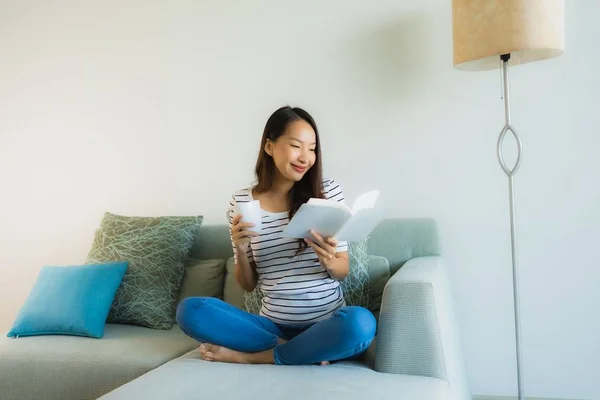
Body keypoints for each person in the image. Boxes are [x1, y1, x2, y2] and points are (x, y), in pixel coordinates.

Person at [176, 105, 376, 366]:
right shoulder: (242, 202)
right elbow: (248, 285)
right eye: (296, 145)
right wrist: (239, 248)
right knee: (191, 311)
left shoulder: (327, 192)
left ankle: (259, 358)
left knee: (360, 323)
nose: (305, 157)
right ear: (269, 147)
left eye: (312, 148)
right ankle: (301, 351)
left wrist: (329, 261)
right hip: (270, 329)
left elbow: (342, 270)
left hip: (326, 325)